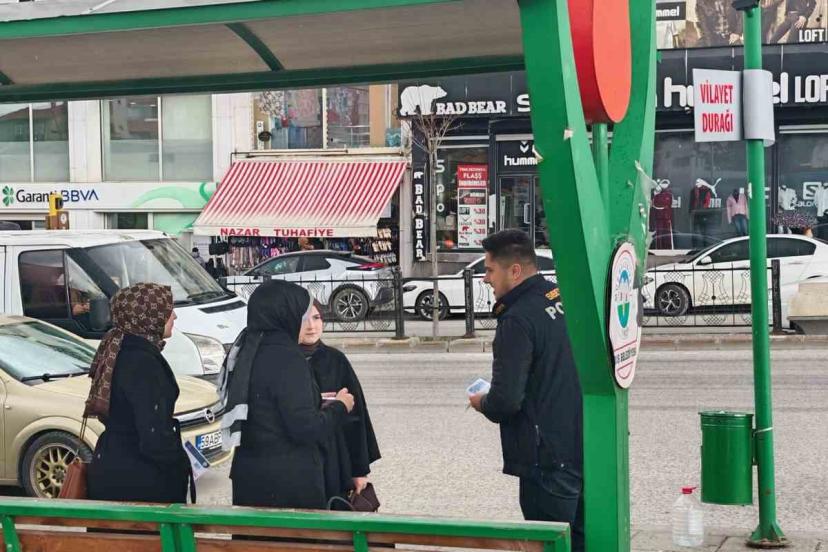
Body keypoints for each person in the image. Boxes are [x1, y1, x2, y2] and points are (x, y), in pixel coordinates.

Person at [467, 230, 584, 552]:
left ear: (515, 271)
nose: (486, 279)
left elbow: (505, 401)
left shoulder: (516, 320)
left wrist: (481, 402)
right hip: (581, 445)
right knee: (581, 541)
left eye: (490, 270)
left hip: (545, 460)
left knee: (550, 544)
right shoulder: (560, 296)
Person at [220, 280, 355, 509]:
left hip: (250, 479)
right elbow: (306, 428)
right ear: (286, 314)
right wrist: (341, 406)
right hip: (287, 486)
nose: (307, 324)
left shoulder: (247, 348)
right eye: (302, 315)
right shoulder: (286, 358)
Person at [86, 283, 193, 504]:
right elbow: (153, 435)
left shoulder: (118, 349)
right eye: (167, 310)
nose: (174, 316)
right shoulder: (142, 361)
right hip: (140, 483)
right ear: (148, 315)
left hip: (111, 467)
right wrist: (178, 465)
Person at [299, 302, 381, 505]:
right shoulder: (286, 362)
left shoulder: (336, 360)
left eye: (316, 318)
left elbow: (356, 418)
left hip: (335, 457)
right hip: (299, 460)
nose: (311, 326)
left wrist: (359, 470)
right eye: (304, 319)